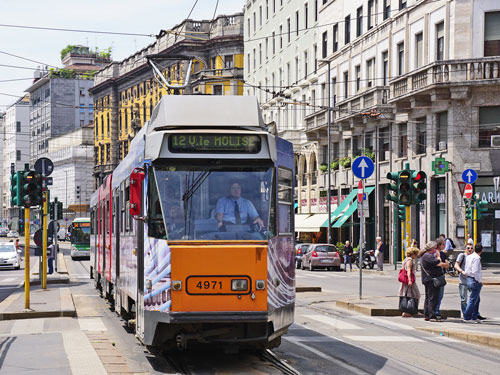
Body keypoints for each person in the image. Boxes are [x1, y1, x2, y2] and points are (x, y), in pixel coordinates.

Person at [420, 241, 448, 322]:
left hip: (428, 279)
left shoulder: (426, 256)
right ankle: (432, 315)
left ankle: (427, 315)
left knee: (428, 297)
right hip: (431, 280)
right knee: (432, 297)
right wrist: (438, 256)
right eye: (435, 248)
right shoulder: (428, 256)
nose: (436, 250)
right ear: (432, 248)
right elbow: (438, 262)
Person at [463, 244, 484, 323]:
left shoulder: (469, 256)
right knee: (473, 299)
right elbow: (475, 271)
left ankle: (474, 316)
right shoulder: (477, 258)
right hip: (474, 280)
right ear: (481, 250)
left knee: (476, 299)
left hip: (469, 278)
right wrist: (479, 281)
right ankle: (467, 317)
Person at [398, 246, 421, 317]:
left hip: (405, 281)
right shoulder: (410, 260)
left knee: (407, 295)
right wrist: (410, 280)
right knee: (417, 295)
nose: (416, 256)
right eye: (415, 254)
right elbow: (408, 270)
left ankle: (408, 311)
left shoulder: (405, 259)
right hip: (409, 281)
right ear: (412, 253)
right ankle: (412, 311)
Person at [454, 244, 475, 318]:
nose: (470, 249)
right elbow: (456, 265)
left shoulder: (474, 257)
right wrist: (462, 271)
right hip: (463, 281)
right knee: (464, 299)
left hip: (471, 281)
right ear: (465, 249)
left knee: (474, 298)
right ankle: (465, 313)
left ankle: (473, 313)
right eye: (468, 248)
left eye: (471, 248)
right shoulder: (462, 255)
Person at [434, 236, 449, 319]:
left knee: (440, 295)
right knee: (435, 295)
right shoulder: (435, 253)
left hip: (441, 276)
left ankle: (437, 310)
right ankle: (435, 311)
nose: (444, 246)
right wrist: (443, 264)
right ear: (439, 245)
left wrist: (443, 264)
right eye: (443, 244)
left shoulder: (443, 254)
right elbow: (438, 264)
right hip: (435, 277)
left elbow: (447, 265)